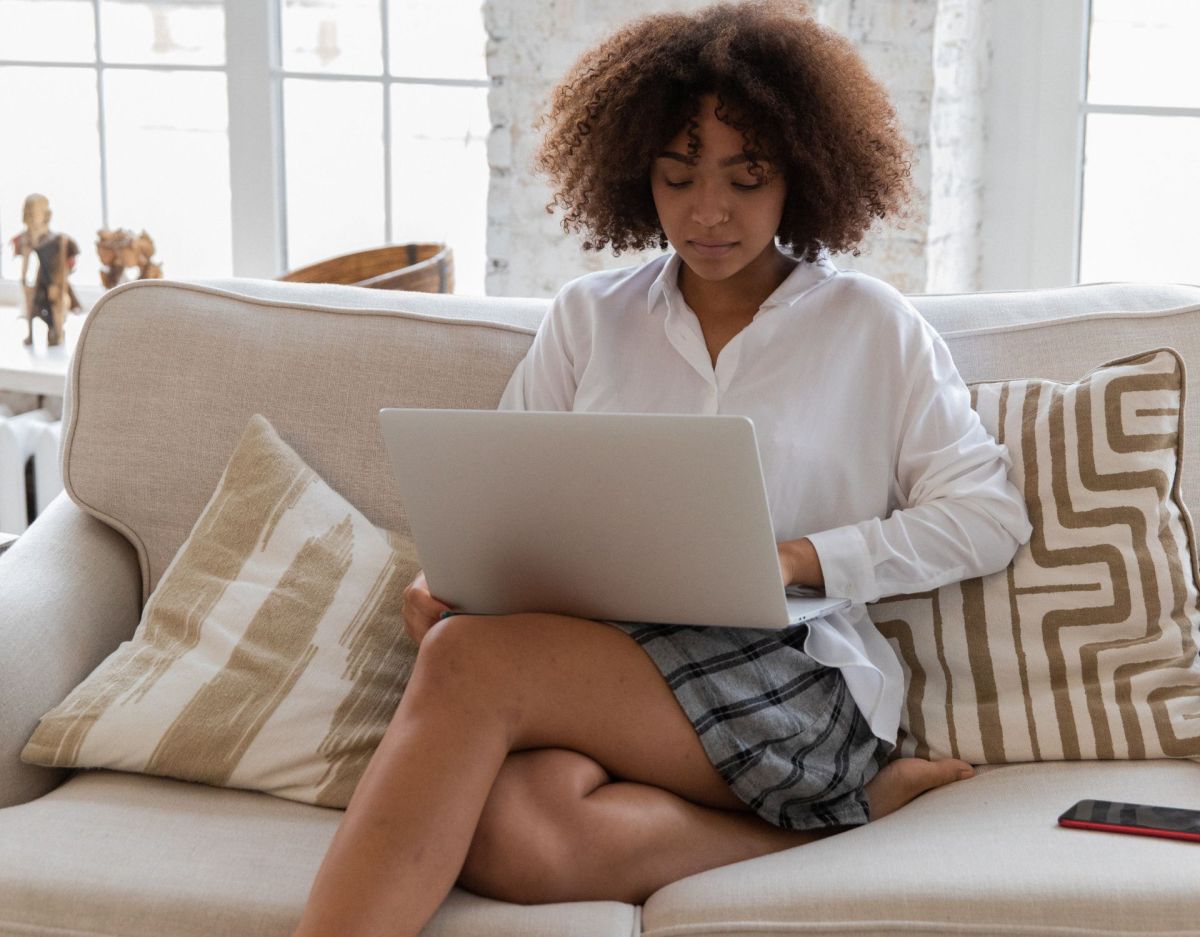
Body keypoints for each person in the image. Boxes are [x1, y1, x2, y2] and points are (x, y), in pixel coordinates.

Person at [292, 2, 1033, 934]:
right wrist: (446, 573)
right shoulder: (589, 319)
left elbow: (988, 513)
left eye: (744, 178)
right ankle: (855, 815)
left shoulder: (871, 328)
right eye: (678, 177)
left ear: (800, 176)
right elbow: (502, 497)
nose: (707, 211)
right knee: (520, 835)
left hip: (793, 684)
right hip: (607, 676)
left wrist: (801, 557)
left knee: (468, 662)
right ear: (636, 171)